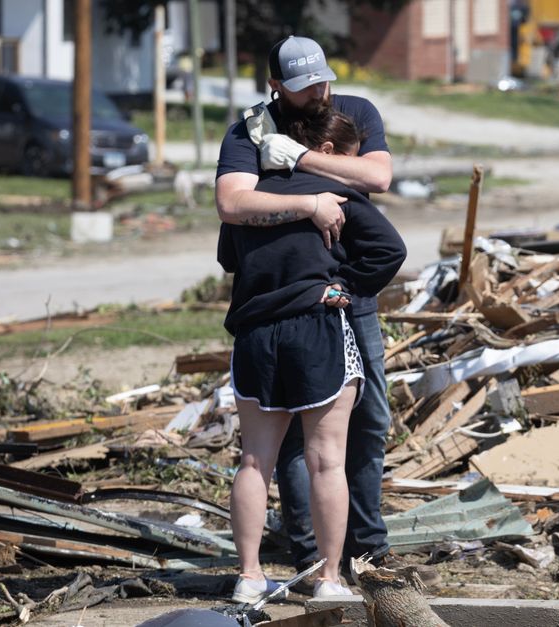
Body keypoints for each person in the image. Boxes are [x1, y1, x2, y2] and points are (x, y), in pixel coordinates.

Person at [214, 35, 397, 597]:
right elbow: (230, 204)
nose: (317, 92)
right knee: (308, 449)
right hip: (305, 307)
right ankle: (316, 559)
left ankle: (363, 548)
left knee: (367, 423)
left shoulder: (355, 112)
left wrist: (300, 161)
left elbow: (379, 177)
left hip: (339, 300)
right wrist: (309, 203)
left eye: (321, 81)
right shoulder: (250, 129)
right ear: (275, 86)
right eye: (302, 87)